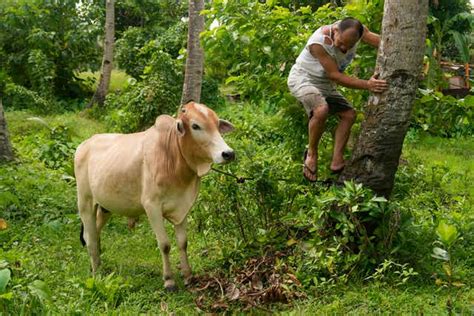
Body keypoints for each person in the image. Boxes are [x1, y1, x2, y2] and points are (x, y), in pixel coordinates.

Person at [287, 17, 388, 182]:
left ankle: (337, 160)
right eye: (341, 43)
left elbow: (383, 44)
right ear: (335, 31)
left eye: (349, 46)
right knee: (321, 109)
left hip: (325, 85)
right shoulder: (319, 43)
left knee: (349, 114)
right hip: (303, 80)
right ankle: (312, 154)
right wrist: (368, 84)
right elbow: (335, 76)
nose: (343, 49)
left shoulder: (357, 31)